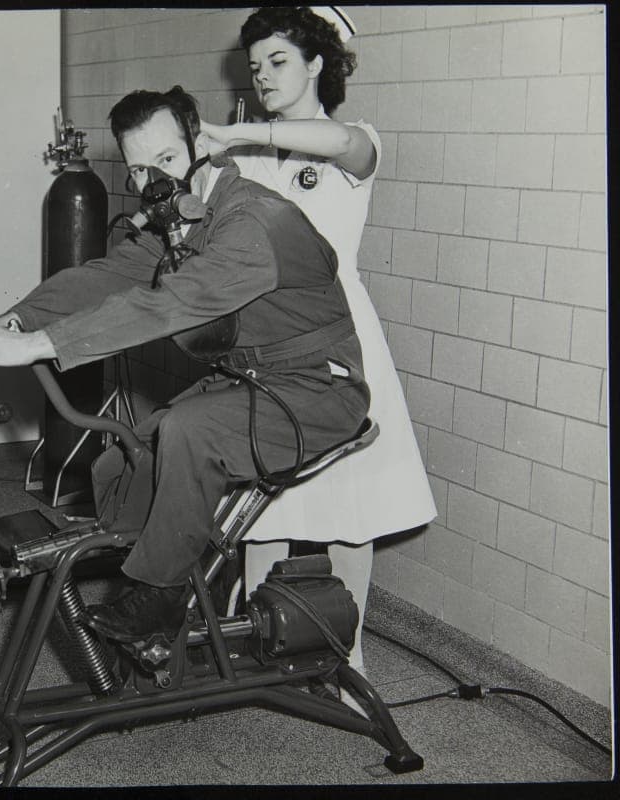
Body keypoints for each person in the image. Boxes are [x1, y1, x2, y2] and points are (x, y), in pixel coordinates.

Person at [0, 86, 370, 643]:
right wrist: (12, 322)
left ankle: (161, 596)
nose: (154, 184)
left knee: (190, 432)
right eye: (139, 170)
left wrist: (40, 344)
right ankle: (180, 581)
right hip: (254, 381)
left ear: (202, 144)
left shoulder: (253, 222)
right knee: (127, 456)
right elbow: (103, 277)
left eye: (167, 161)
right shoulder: (181, 222)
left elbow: (168, 304)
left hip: (318, 389)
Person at [200, 6, 437, 679]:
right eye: (255, 66)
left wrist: (242, 130)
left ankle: (347, 657)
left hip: (340, 335)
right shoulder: (246, 158)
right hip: (265, 339)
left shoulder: (357, 140)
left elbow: (332, 147)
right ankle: (255, 643)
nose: (263, 74)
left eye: (278, 61)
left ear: (316, 65)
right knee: (264, 500)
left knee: (348, 507)